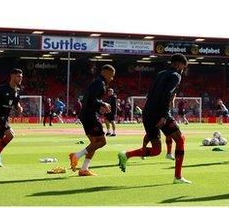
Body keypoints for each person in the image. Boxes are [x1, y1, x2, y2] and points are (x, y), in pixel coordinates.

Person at [117, 54, 191, 184]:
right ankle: (178, 177)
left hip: (148, 112)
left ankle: (126, 154)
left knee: (156, 150)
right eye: (183, 67)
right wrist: (163, 115)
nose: (183, 70)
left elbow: (151, 93)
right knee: (180, 140)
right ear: (179, 64)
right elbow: (167, 94)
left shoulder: (160, 74)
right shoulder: (176, 76)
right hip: (159, 113)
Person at [69, 65, 115, 176]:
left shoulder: (97, 82)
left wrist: (100, 108)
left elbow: (90, 100)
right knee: (102, 141)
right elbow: (91, 99)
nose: (112, 78)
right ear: (106, 73)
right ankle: (76, 155)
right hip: (90, 115)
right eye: (112, 75)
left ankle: (84, 169)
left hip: (86, 114)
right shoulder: (100, 83)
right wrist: (103, 103)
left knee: (94, 143)